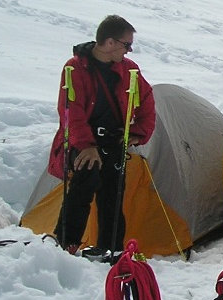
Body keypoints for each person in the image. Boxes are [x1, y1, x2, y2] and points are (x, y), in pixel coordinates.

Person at [47, 14, 155, 257]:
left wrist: (138, 133)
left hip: (114, 140)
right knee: (83, 185)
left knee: (112, 196)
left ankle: (111, 249)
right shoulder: (74, 68)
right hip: (84, 141)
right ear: (109, 43)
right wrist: (86, 146)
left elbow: (147, 102)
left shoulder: (130, 71)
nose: (128, 51)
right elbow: (69, 111)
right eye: (126, 45)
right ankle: (67, 243)